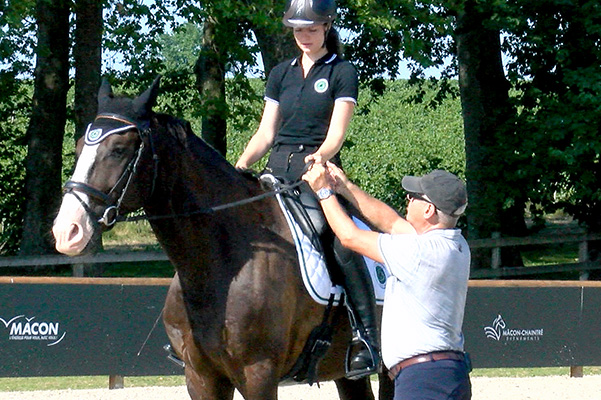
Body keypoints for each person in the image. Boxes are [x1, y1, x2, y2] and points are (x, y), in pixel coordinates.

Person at [235, 0, 380, 379]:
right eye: (298, 30)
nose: (304, 36)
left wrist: (319, 160)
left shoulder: (342, 72)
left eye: (312, 29)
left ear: (327, 27)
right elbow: (266, 133)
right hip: (276, 170)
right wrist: (239, 166)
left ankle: (366, 337)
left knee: (340, 238)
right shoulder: (280, 73)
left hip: (316, 170)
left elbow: (336, 134)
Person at [302, 164, 472, 400]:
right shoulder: (455, 244)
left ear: (428, 210)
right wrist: (345, 187)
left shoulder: (419, 252)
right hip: (446, 373)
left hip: (423, 380)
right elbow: (390, 223)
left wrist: (323, 192)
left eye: (414, 197)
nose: (408, 199)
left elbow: (350, 236)